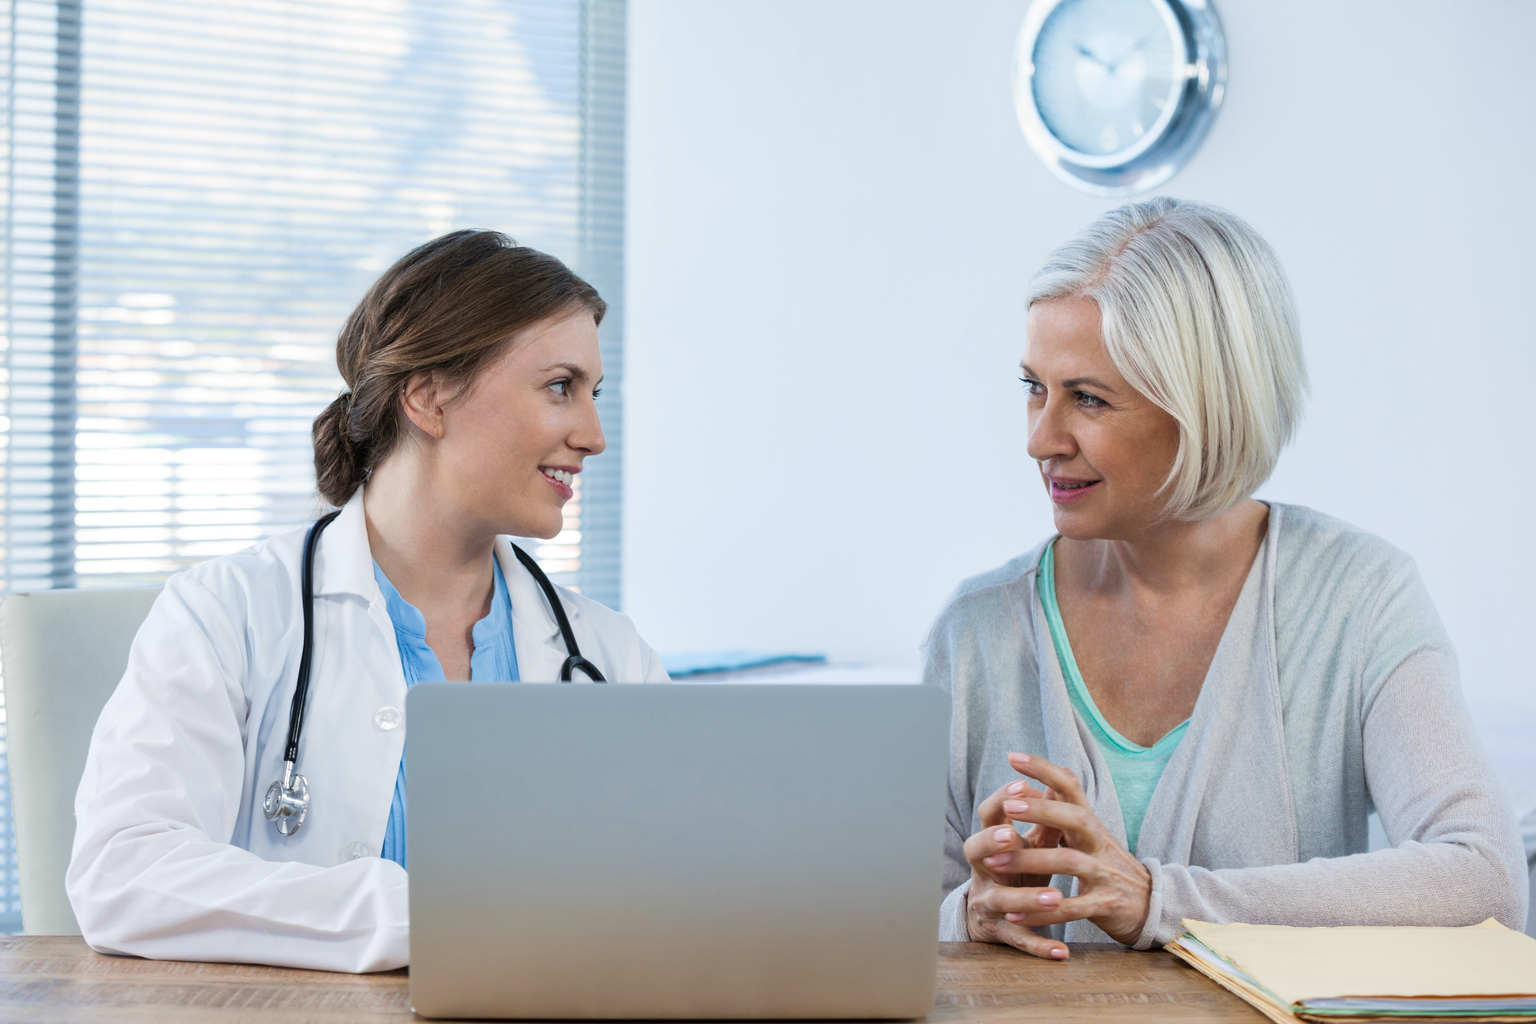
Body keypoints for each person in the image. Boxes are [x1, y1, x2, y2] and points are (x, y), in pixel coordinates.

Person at [928, 198, 1527, 959]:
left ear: (1204, 408)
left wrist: (1160, 902)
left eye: (1087, 398)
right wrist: (966, 916)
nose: (1040, 439)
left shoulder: (1361, 598)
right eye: (1031, 388)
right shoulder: (974, 633)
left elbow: (1486, 884)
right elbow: (888, 926)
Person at [67, 231, 667, 972]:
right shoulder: (226, 613)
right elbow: (123, 874)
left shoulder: (609, 654)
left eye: (593, 393)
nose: (594, 436)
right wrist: (429, 917)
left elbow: (688, 886)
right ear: (427, 396)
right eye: (559, 387)